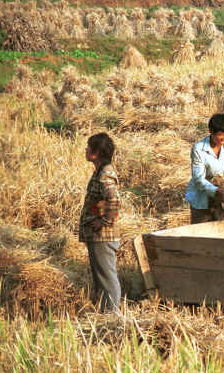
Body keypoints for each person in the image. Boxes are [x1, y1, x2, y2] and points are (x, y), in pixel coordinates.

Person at [79, 132, 121, 313]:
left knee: (107, 277)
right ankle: (105, 312)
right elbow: (103, 202)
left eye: (89, 147)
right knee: (101, 278)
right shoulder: (101, 171)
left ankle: (112, 316)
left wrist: (102, 221)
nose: (86, 149)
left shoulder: (105, 175)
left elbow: (114, 201)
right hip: (98, 235)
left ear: (96, 152)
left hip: (103, 236)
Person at [185, 113, 224, 224]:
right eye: (221, 135)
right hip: (201, 197)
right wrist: (217, 192)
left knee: (221, 230)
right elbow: (198, 179)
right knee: (201, 233)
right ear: (211, 131)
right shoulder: (198, 149)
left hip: (221, 193)